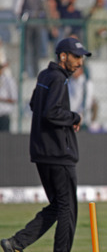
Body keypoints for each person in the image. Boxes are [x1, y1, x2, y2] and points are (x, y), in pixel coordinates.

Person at [0, 37, 91, 252]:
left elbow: (34, 104)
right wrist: (74, 118)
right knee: (67, 210)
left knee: (58, 206)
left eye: (82, 58)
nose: (80, 62)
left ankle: (16, 243)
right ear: (62, 56)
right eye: (76, 57)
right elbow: (52, 112)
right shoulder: (59, 79)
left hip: (41, 152)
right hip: (58, 153)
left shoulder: (45, 75)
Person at [0, 62, 17, 132]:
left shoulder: (8, 80)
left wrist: (2, 99)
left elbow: (14, 98)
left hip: (4, 115)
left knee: (4, 138)